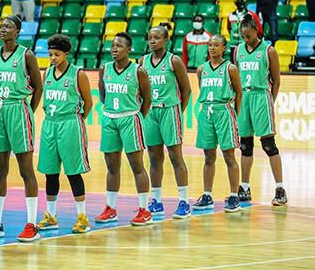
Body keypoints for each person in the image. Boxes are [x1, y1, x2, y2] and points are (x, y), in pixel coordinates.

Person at [0, 15, 44, 242]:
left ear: (18, 31)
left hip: (19, 110)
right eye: (2, 26)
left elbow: (38, 88)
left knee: (25, 170)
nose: (4, 29)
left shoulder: (26, 55)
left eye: (9, 26)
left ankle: (32, 224)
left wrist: (28, 111)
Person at [36, 34, 94, 234]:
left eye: (57, 54)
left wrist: (77, 121)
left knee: (73, 172)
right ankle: (51, 216)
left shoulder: (78, 74)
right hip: (49, 124)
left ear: (66, 54)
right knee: (50, 172)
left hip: (70, 124)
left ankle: (82, 217)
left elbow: (88, 103)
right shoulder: (48, 73)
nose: (52, 58)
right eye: (50, 54)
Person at [95, 33, 153, 226]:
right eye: (112, 45)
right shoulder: (105, 69)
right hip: (110, 119)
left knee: (137, 166)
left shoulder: (139, 71)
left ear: (129, 49)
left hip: (130, 118)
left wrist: (136, 116)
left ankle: (145, 210)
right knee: (112, 167)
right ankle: (110, 208)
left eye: (119, 46)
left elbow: (147, 99)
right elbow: (103, 95)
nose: (114, 49)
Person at [139, 24, 192, 219]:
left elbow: (186, 89)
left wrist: (178, 110)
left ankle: (184, 201)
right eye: (150, 38)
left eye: (156, 38)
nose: (152, 41)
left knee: (175, 156)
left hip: (170, 111)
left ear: (165, 40)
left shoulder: (174, 61)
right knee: (153, 157)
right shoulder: (142, 62)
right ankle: (157, 200)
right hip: (151, 113)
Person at [234, 15, 287, 206]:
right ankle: (245, 188)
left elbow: (277, 80)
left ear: (256, 30)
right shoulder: (238, 50)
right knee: (245, 145)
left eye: (248, 35)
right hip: (244, 98)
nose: (246, 39)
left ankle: (280, 188)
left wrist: (270, 100)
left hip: (261, 97)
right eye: (243, 36)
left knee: (268, 145)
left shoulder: (268, 50)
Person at [193, 35, 242, 213]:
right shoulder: (201, 70)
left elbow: (239, 93)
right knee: (209, 157)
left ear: (224, 48)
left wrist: (235, 115)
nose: (212, 48)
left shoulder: (231, 69)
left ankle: (234, 195)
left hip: (225, 112)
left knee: (229, 156)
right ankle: (207, 195)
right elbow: (202, 90)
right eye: (210, 45)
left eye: (216, 45)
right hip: (207, 112)